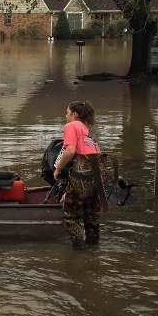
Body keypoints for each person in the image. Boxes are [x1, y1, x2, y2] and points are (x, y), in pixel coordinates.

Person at [52, 100, 108, 248]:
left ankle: (79, 255)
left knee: (71, 216)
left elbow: (70, 151)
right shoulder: (86, 129)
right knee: (91, 217)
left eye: (67, 112)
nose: (66, 115)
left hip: (82, 174)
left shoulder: (71, 125)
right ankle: (93, 250)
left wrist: (58, 168)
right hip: (98, 176)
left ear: (74, 114)